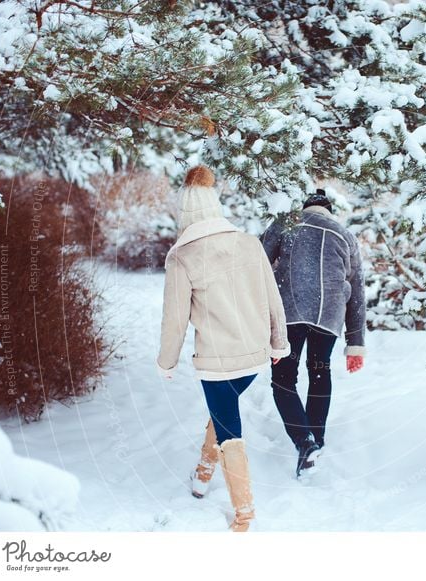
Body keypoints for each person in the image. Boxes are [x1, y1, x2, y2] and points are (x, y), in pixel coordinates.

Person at [157, 165, 290, 532]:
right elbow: (272, 297)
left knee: (228, 424)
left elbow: (175, 318)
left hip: (217, 363)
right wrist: (279, 342)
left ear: (184, 214)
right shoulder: (249, 242)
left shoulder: (181, 256)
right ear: (215, 206)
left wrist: (166, 361)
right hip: (254, 356)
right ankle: (202, 474)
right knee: (224, 410)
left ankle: (244, 513)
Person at [261, 189, 366, 477]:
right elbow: (357, 291)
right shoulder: (345, 235)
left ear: (305, 206)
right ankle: (316, 440)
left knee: (283, 377)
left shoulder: (286, 222)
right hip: (329, 315)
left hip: (290, 312)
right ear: (330, 210)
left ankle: (304, 442)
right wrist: (356, 343)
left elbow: (257, 263)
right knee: (320, 372)